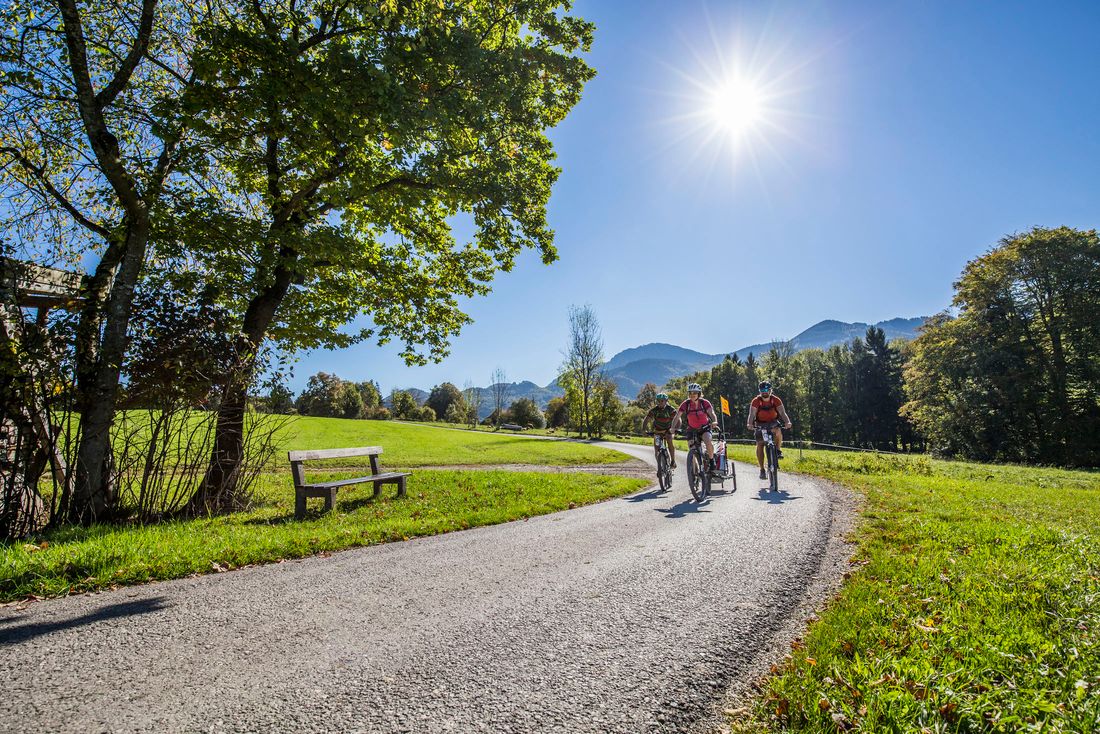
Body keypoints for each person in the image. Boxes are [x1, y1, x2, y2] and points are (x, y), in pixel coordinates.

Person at [746, 380, 792, 479]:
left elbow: (783, 413)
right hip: (760, 424)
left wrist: (787, 422)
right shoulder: (756, 401)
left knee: (778, 430)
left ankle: (778, 451)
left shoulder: (776, 400)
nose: (765, 391)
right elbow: (752, 414)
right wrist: (749, 424)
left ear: (770, 390)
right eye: (762, 390)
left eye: (767, 389)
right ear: (759, 391)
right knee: (760, 444)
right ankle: (762, 469)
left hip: (773, 422)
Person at [671, 383, 719, 470]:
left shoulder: (704, 403)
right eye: (690, 393)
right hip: (691, 429)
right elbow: (677, 416)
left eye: (695, 393)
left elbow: (712, 413)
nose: (692, 395)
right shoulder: (686, 404)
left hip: (705, 428)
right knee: (692, 448)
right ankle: (695, 472)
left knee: (707, 440)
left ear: (699, 394)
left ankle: (712, 460)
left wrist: (715, 421)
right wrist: (673, 428)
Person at [641, 393, 677, 468]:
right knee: (656, 448)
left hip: (668, 430)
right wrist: (643, 429)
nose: (660, 403)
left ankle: (673, 461)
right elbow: (646, 419)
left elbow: (678, 419)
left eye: (662, 401)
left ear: (666, 401)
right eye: (658, 401)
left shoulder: (670, 409)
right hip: (658, 431)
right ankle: (660, 467)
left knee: (669, 440)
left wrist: (674, 429)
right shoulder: (654, 410)